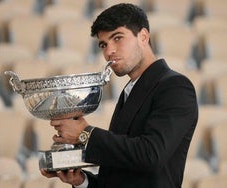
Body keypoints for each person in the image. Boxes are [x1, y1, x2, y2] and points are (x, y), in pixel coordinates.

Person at [40, 3, 198, 188]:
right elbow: (120, 175)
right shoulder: (130, 91)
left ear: (143, 36)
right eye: (103, 44)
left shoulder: (175, 86)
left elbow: (151, 155)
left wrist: (86, 134)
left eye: (117, 38)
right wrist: (81, 181)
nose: (109, 52)